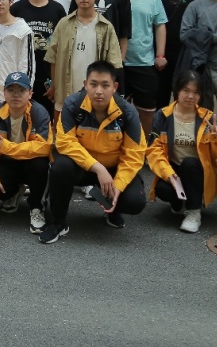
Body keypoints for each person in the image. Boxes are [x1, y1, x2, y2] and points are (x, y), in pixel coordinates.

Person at [41, 60, 147, 244]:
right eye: (93, 84)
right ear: (85, 85)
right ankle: (58, 222)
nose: (99, 91)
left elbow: (134, 155)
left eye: (105, 85)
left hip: (113, 170)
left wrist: (117, 187)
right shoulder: (72, 105)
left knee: (134, 202)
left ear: (114, 87)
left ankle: (113, 209)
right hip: (83, 167)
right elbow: (65, 143)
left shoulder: (128, 112)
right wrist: (98, 168)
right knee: (60, 167)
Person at [145, 70, 217, 233]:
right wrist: (169, 174)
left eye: (196, 92)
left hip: (198, 171)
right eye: (186, 91)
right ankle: (180, 203)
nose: (191, 96)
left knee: (189, 164)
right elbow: (153, 151)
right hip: (174, 168)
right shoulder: (163, 116)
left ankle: (194, 212)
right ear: (177, 91)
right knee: (162, 189)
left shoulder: (207, 118)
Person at [0, 72, 52, 234]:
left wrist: (7, 148)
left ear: (30, 93)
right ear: (4, 93)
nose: (16, 94)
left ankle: (36, 207)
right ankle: (14, 193)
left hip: (32, 162)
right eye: (11, 90)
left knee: (40, 164)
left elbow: (44, 147)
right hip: (7, 162)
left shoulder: (39, 112)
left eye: (21, 90)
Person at [45, 0, 122, 118]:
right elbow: (53, 58)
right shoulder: (63, 24)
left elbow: (113, 64)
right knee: (62, 128)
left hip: (95, 95)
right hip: (65, 92)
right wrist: (55, 86)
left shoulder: (106, 27)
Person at [118, 0, 168, 133]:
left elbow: (160, 25)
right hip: (118, 63)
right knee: (116, 110)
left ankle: (144, 145)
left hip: (144, 62)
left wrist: (160, 55)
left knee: (146, 111)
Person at [11, 0, 66, 116]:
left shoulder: (57, 9)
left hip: (48, 75)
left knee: (46, 118)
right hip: (22, 74)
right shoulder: (16, 9)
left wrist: (56, 82)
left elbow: (62, 47)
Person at [154, 0, 205, 107]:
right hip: (163, 55)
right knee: (161, 99)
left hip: (188, 55)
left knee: (187, 97)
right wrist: (159, 54)